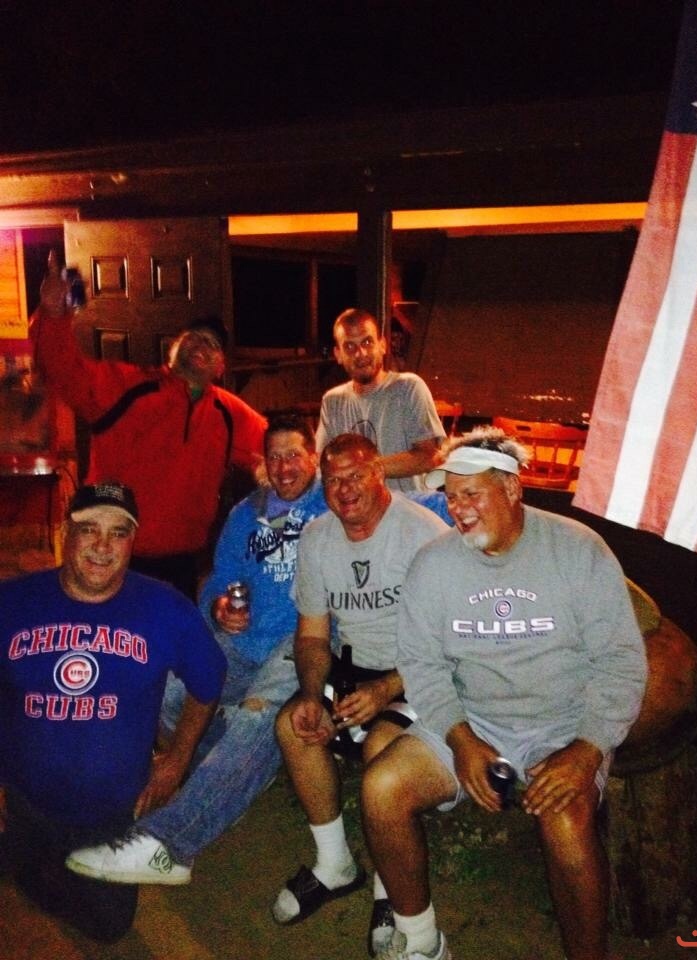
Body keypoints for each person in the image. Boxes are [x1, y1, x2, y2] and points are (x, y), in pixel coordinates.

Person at [360, 427, 648, 960]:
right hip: (473, 717)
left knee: (567, 822)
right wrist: (460, 738)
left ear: (512, 488)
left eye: (471, 494)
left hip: (564, 723)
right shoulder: (434, 564)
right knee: (383, 788)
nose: (458, 509)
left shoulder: (578, 550)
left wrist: (588, 748)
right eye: (451, 496)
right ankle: (421, 941)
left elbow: (622, 661)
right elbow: (422, 664)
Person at [63, 413, 328, 886]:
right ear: (263, 463)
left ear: (314, 456)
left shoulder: (334, 502)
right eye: (274, 457)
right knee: (167, 694)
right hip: (243, 640)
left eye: (294, 455)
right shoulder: (246, 512)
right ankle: (231, 777)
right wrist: (221, 606)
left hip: (302, 641)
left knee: (256, 716)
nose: (284, 467)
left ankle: (169, 845)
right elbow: (218, 583)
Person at [0, 482, 226, 942]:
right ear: (65, 533)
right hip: (24, 799)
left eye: (118, 533)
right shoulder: (13, 602)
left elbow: (209, 680)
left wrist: (176, 760)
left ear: (132, 541)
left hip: (111, 811)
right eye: (90, 529)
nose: (103, 546)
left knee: (107, 928)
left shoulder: (165, 607)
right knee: (27, 881)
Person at [271, 433, 447, 956]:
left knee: (381, 746)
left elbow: (450, 639)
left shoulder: (423, 533)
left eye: (355, 475)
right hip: (355, 669)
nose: (344, 489)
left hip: (421, 670)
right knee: (294, 725)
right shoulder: (317, 538)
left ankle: (390, 890)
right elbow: (312, 635)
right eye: (333, 480)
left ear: (379, 474)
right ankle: (335, 865)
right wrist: (310, 693)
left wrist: (388, 687)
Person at [31, 251, 267, 597]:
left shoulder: (229, 413)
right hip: (112, 554)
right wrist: (53, 314)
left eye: (213, 345)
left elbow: (280, 449)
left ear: (221, 367)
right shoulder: (127, 386)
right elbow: (61, 369)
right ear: (173, 348)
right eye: (194, 337)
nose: (202, 345)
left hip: (182, 564)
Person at [315, 308, 445, 492]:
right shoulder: (333, 402)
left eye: (367, 342)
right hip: (357, 508)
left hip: (410, 506)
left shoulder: (408, 388)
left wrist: (364, 468)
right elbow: (323, 464)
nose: (361, 353)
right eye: (350, 347)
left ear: (382, 345)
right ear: (338, 354)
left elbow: (429, 456)